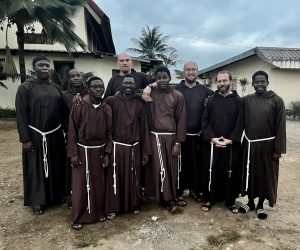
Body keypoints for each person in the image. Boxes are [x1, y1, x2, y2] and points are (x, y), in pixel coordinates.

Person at [143, 61, 213, 205]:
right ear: (183, 72)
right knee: (180, 166)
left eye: (193, 69)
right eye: (188, 69)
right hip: (179, 135)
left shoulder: (206, 91)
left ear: (197, 71)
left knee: (197, 165)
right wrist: (149, 86)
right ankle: (179, 191)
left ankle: (195, 190)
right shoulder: (177, 89)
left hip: (198, 135)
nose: (191, 72)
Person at [15, 54, 68, 215]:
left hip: (55, 134)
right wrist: (25, 139)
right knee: (36, 168)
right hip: (36, 135)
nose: (45, 68)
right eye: (41, 66)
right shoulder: (25, 87)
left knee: (56, 165)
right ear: (34, 68)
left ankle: (57, 196)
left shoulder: (56, 87)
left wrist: (67, 130)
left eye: (47, 66)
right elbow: (21, 114)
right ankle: (37, 201)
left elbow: (64, 111)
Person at [239, 70, 286, 219]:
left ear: (267, 82)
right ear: (252, 84)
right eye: (257, 82)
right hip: (250, 145)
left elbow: (280, 127)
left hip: (268, 147)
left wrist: (278, 149)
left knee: (265, 176)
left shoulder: (276, 101)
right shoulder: (247, 100)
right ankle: (250, 202)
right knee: (250, 174)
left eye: (262, 81)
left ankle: (260, 205)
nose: (259, 84)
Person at [67, 76, 112, 230]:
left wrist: (107, 153)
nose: (98, 89)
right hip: (82, 150)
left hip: (99, 151)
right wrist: (73, 153)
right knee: (80, 184)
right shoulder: (79, 106)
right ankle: (78, 216)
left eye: (101, 86)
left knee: (98, 184)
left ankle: (98, 213)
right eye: (95, 87)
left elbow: (109, 133)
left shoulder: (106, 108)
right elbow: (72, 131)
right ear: (89, 88)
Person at [105, 77, 151, 219]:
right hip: (118, 147)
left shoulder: (139, 103)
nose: (128, 85)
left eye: (131, 83)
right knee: (115, 178)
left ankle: (133, 205)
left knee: (133, 177)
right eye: (126, 83)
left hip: (134, 148)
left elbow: (144, 128)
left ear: (136, 85)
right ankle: (113, 207)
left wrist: (145, 152)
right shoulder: (111, 101)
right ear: (121, 85)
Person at [144, 66, 187, 212]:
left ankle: (171, 197)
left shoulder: (177, 96)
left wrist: (178, 143)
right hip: (154, 138)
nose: (162, 80)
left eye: (165, 77)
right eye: (158, 78)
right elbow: (131, 93)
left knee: (171, 169)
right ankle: (164, 199)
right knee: (158, 169)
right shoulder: (150, 94)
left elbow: (181, 119)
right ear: (155, 80)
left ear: (169, 78)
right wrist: (148, 88)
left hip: (171, 138)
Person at [201, 70, 243, 213]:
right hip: (213, 144)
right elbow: (204, 120)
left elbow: (240, 122)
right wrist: (212, 138)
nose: (222, 84)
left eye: (224, 81)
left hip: (231, 145)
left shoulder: (238, 101)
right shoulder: (211, 100)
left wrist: (230, 140)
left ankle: (230, 201)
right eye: (219, 81)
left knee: (230, 172)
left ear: (230, 81)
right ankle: (209, 198)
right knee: (211, 171)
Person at [62, 69, 88, 207]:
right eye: (73, 76)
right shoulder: (64, 95)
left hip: (87, 137)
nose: (76, 78)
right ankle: (71, 194)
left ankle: (87, 191)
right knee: (72, 165)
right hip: (71, 135)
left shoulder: (89, 92)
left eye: (78, 75)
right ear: (69, 80)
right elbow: (61, 114)